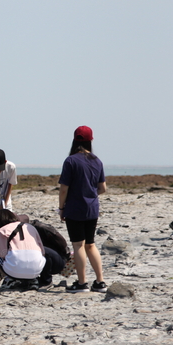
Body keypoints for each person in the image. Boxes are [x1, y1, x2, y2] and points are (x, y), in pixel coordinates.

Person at [58, 126, 107, 293]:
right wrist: (90, 194)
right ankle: (100, 281)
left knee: (78, 245)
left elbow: (63, 189)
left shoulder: (70, 161)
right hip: (92, 208)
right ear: (90, 140)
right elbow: (103, 188)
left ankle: (82, 283)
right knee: (91, 244)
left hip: (75, 207)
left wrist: (61, 208)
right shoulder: (97, 160)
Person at [0, 209, 45, 290]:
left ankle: (12, 279)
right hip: (37, 270)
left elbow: (2, 254)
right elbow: (42, 251)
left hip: (15, 270)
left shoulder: (1, 231)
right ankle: (31, 280)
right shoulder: (30, 227)